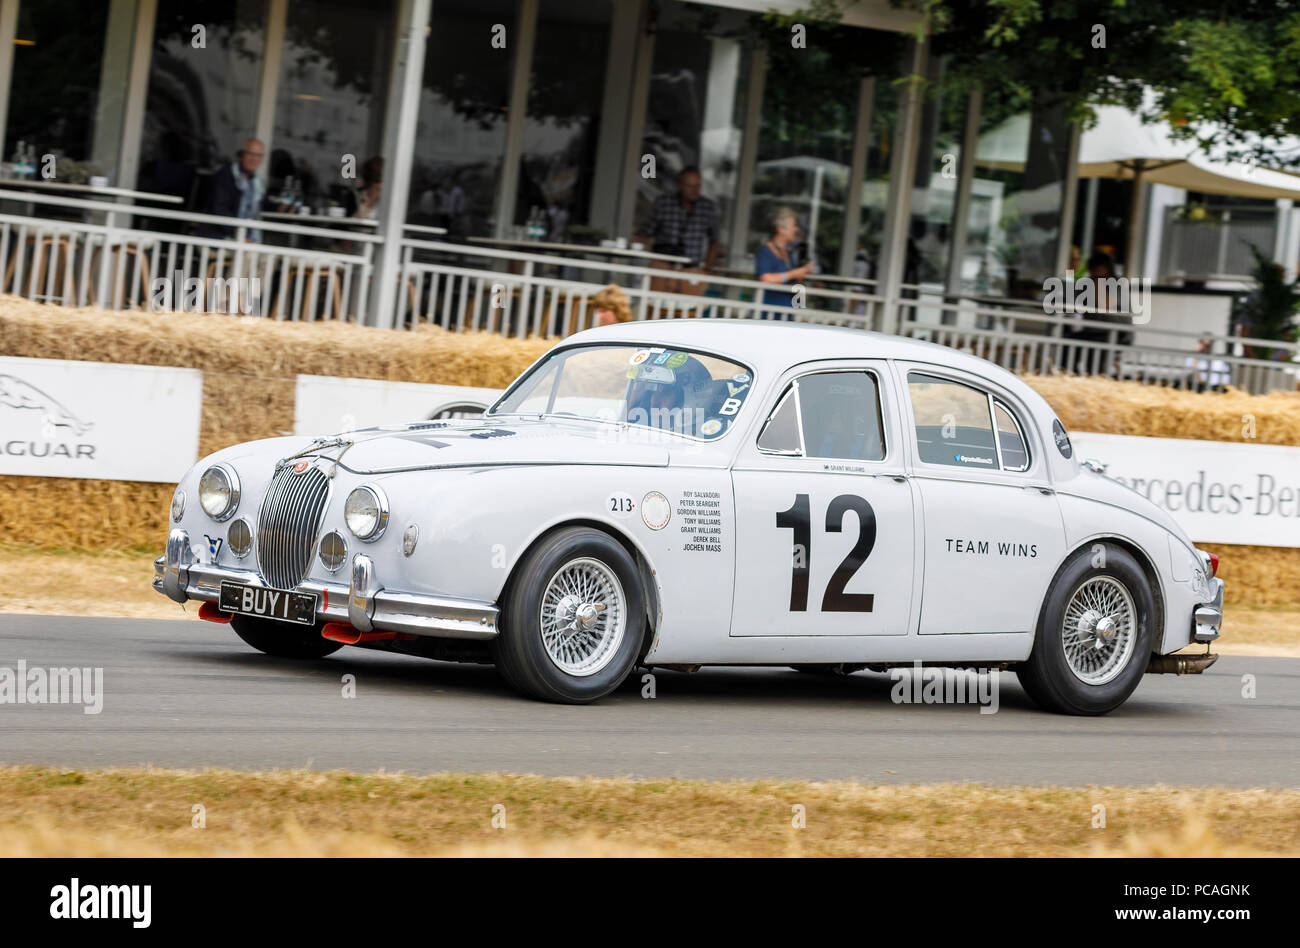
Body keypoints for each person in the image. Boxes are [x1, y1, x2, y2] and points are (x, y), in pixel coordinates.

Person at [635, 166, 722, 296]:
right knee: (654, 307)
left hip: (691, 269)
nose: (695, 190)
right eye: (689, 186)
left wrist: (706, 270)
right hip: (662, 264)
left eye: (698, 186)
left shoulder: (707, 207)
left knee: (689, 312)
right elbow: (645, 233)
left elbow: (715, 241)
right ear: (679, 185)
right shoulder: (664, 203)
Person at [198, 137, 267, 240]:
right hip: (219, 237)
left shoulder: (257, 182)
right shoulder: (225, 175)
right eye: (250, 154)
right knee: (256, 255)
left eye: (258, 155)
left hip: (246, 237)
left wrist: (282, 208)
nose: (254, 159)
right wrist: (239, 234)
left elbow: (264, 203)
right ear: (241, 155)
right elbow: (219, 209)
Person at [755, 206, 816, 319]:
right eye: (793, 225)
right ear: (780, 229)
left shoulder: (790, 252)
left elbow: (795, 284)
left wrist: (803, 273)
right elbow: (765, 278)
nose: (796, 229)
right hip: (769, 315)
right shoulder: (766, 251)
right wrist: (795, 273)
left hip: (787, 315)